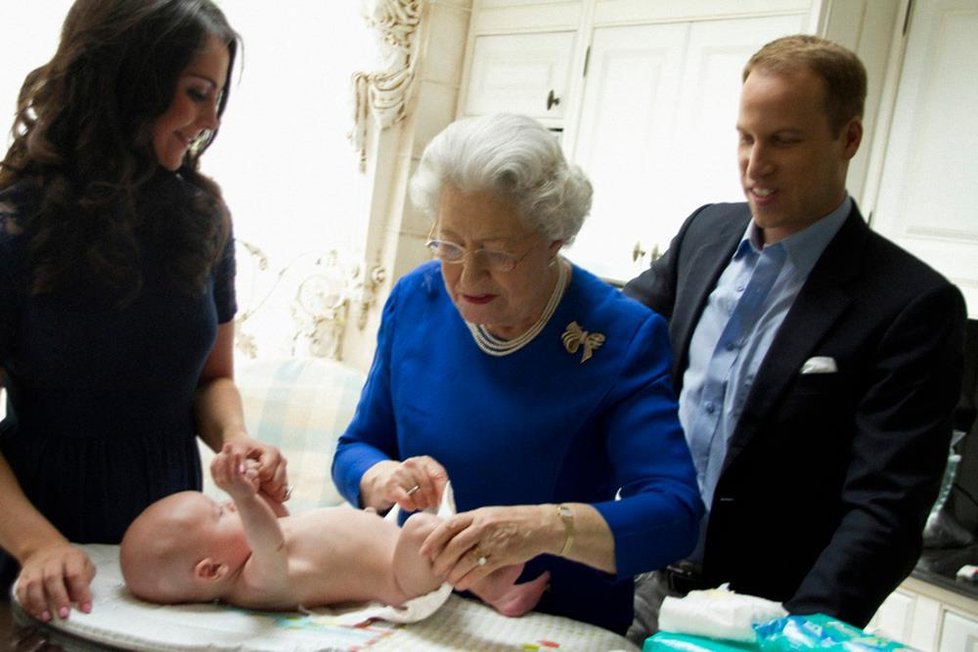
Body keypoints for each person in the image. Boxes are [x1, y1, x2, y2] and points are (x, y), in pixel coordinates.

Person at [623, 34, 967, 640]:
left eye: (784, 140)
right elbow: (611, 342)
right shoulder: (705, 234)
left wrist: (798, 634)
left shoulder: (910, 305)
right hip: (636, 580)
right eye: (746, 137)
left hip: (763, 617)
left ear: (848, 139)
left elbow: (885, 510)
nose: (756, 165)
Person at [331, 112, 704, 634]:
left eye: (498, 253)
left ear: (555, 238)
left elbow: (675, 515)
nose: (467, 276)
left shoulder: (620, 336)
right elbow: (355, 449)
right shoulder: (415, 300)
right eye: (450, 245)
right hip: (417, 605)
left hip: (557, 622)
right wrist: (384, 479)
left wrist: (543, 526)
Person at [0, 0, 288, 624]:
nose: (211, 119)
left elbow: (212, 379)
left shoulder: (205, 219)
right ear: (127, 79)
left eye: (217, 98)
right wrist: (39, 545)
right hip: (34, 539)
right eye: (196, 93)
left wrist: (236, 440)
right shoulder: (13, 225)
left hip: (171, 543)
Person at [121, 445, 541, 616]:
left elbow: (277, 522)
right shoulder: (252, 584)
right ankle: (493, 588)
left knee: (424, 522)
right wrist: (245, 500)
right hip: (399, 577)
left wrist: (259, 491)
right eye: (219, 512)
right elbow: (272, 540)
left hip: (388, 537)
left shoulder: (254, 556)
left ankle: (487, 579)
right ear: (210, 571)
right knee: (424, 531)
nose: (229, 503)